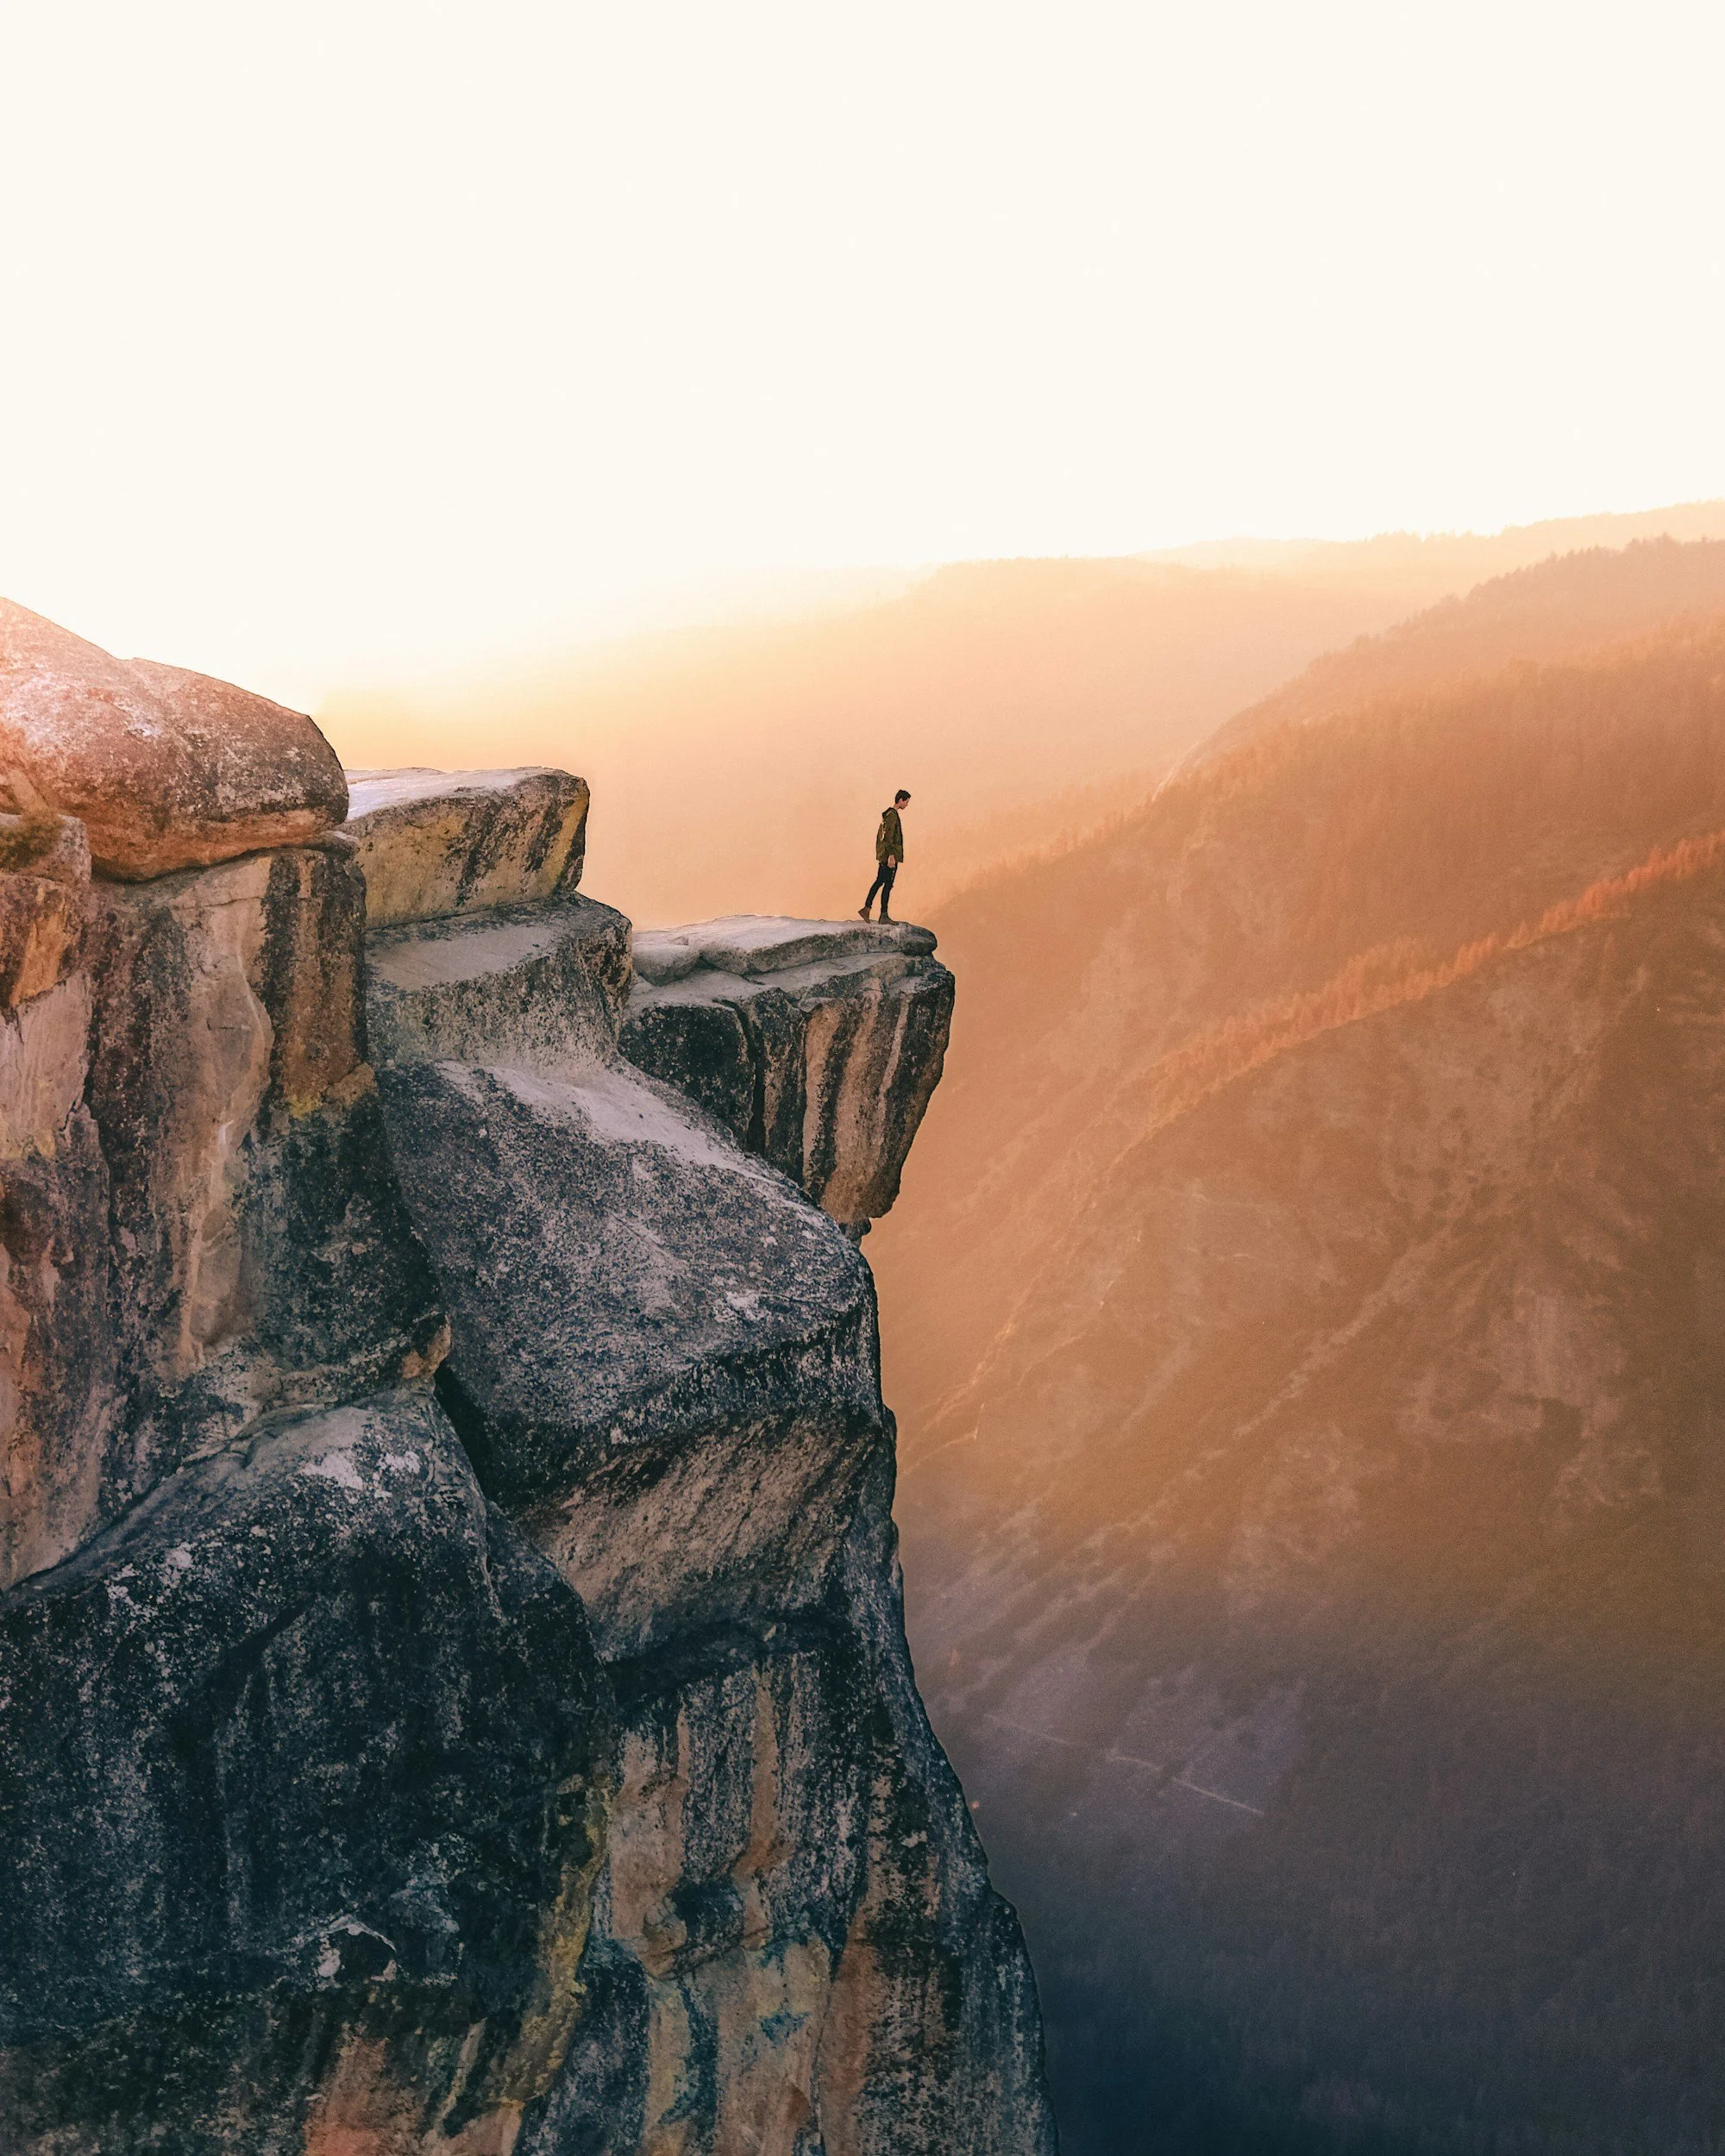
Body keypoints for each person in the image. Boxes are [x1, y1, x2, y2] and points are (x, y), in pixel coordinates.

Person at [860, 789, 910, 922]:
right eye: (906, 802)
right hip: (889, 856)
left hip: (885, 855)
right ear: (900, 800)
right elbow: (889, 837)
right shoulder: (892, 816)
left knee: (880, 881)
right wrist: (892, 855)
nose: (906, 805)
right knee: (887, 884)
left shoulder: (888, 815)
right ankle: (883, 914)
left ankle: (867, 908)